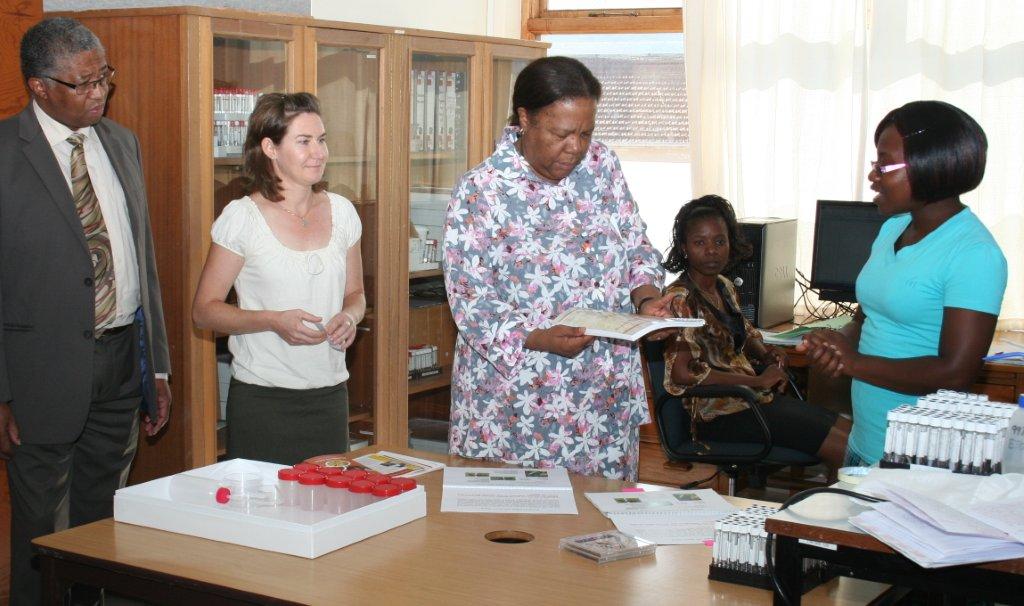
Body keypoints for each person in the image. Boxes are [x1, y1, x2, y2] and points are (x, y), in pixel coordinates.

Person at [0, 17, 172, 605]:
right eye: (83, 83)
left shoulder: (122, 143)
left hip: (122, 361)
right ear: (40, 86)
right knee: (43, 534)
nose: (99, 91)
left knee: (103, 526)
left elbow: (141, 259)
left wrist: (159, 367)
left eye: (105, 77)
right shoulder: (4, 153)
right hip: (36, 374)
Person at [442, 56, 676, 481]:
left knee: (600, 518)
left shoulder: (602, 166)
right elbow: (469, 296)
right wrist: (537, 337)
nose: (576, 147)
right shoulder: (482, 189)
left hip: (601, 390)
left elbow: (635, 244)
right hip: (517, 399)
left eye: (586, 133)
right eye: (561, 133)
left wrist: (647, 299)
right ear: (525, 118)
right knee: (517, 532)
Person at [798, 100, 1007, 466]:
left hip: (920, 458)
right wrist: (837, 343)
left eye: (884, 164)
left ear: (931, 165)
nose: (873, 176)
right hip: (867, 439)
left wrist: (854, 363)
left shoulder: (974, 253)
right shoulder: (893, 228)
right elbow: (867, 317)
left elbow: (955, 372)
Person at [192, 92, 365, 466]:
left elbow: (356, 294)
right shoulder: (242, 218)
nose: (318, 152)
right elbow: (204, 312)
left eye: (321, 140)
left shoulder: (344, 212)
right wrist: (272, 320)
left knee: (329, 511)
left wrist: (350, 317)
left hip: (330, 397)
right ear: (270, 148)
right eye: (303, 142)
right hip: (262, 402)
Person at [661, 195, 850, 472]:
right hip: (715, 415)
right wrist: (757, 381)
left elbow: (745, 333)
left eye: (719, 241)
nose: (711, 251)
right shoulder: (679, 298)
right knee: (844, 449)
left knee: (850, 433)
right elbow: (682, 374)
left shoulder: (723, 286)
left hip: (750, 401)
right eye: (700, 243)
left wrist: (769, 353)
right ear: (684, 248)